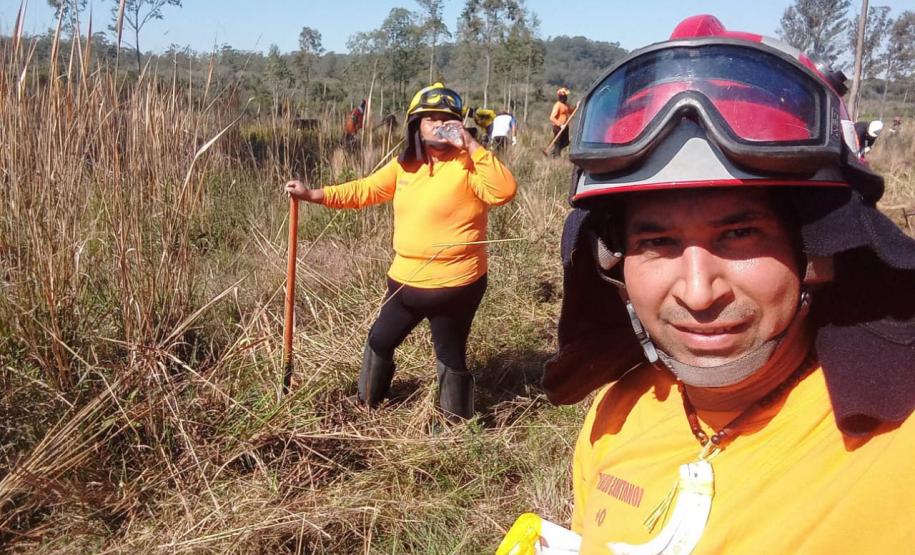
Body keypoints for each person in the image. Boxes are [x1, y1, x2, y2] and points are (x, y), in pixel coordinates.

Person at [504, 15, 915, 554]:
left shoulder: (897, 446)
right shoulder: (616, 416)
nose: (699, 294)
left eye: (740, 234)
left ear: (819, 249)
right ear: (613, 263)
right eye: (657, 243)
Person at [285, 83, 517, 420]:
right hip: (405, 283)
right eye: (430, 119)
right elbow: (364, 190)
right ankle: (366, 405)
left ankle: (455, 425)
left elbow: (504, 191)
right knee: (380, 340)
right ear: (415, 125)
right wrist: (315, 194)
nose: (439, 125)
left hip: (456, 285)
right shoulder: (404, 166)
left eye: (447, 119)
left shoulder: (469, 163)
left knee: (450, 355)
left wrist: (471, 144)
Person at [549, 87, 574, 157]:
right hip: (558, 127)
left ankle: (554, 152)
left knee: (566, 142)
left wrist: (577, 106)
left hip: (565, 127)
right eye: (565, 96)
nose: (566, 97)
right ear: (561, 97)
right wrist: (560, 125)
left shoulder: (566, 105)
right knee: (558, 143)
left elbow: (571, 112)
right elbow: (552, 117)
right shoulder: (557, 105)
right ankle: (556, 157)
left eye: (566, 96)